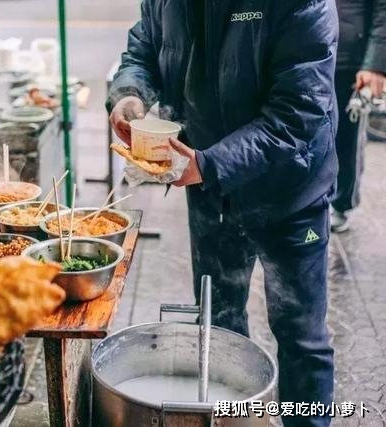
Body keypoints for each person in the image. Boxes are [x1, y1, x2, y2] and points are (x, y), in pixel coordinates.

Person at [109, 1, 337, 426]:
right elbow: (143, 48)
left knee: (301, 336)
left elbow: (298, 113)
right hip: (210, 191)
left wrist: (208, 165)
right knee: (219, 323)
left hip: (289, 193)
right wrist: (130, 93)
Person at [331, 0, 386, 232]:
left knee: (346, 137)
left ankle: (341, 203)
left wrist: (375, 65)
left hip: (348, 60)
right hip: (303, 54)